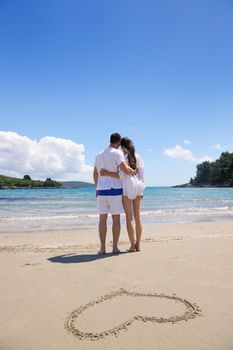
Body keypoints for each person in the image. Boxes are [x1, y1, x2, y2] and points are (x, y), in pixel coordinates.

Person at [100, 137, 145, 252]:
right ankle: (138, 244)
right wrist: (142, 190)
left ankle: (131, 245)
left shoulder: (122, 158)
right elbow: (142, 175)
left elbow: (121, 176)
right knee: (138, 217)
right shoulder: (138, 157)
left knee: (129, 218)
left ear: (123, 147)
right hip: (139, 186)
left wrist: (106, 173)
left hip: (126, 188)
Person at [93, 133, 135, 254]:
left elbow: (95, 173)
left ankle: (102, 248)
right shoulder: (117, 153)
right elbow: (125, 170)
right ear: (119, 142)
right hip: (114, 189)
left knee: (102, 219)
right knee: (116, 219)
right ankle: (115, 247)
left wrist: (97, 188)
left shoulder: (99, 154)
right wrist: (133, 170)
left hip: (101, 190)